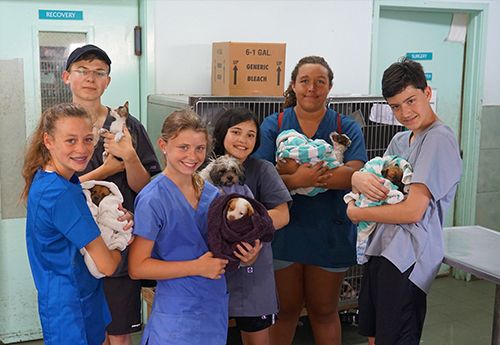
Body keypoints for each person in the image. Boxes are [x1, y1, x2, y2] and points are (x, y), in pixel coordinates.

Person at [346, 58, 462, 345]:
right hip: (381, 250)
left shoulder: (439, 139)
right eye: (396, 106)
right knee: (375, 336)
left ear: (427, 93)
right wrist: (356, 180)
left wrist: (356, 212)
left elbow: (413, 210)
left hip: (408, 259)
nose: (405, 112)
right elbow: (373, 179)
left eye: (411, 100)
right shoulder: (400, 141)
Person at [254, 56, 368, 345]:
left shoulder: (346, 126)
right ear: (293, 84)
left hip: (330, 231)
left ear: (330, 87)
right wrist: (297, 181)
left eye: (320, 82)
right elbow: (262, 175)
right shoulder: (275, 124)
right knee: (286, 310)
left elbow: (356, 172)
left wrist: (297, 176)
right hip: (285, 234)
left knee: (324, 310)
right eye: (304, 81)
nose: (312, 88)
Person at [62, 44, 161, 345]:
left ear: (108, 81)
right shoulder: (56, 127)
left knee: (118, 335)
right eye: (82, 71)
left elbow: (148, 188)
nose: (90, 79)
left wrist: (129, 157)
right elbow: (51, 190)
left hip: (118, 244)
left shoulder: (127, 126)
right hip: (74, 245)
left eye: (99, 73)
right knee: (83, 332)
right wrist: (104, 171)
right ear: (67, 77)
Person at [21, 103, 123, 345]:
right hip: (71, 308)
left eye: (88, 139)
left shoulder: (54, 179)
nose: (82, 149)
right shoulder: (60, 194)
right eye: (71, 141)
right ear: (48, 141)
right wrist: (120, 239)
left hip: (74, 297)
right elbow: (107, 266)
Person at [128, 109, 229, 345]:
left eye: (199, 148)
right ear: (163, 145)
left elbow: (224, 249)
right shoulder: (153, 199)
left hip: (213, 307)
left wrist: (247, 255)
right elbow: (138, 267)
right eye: (183, 147)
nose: (192, 156)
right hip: (177, 312)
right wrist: (197, 267)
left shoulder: (213, 195)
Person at [212, 107, 292, 345]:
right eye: (236, 132)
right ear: (222, 133)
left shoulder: (262, 169)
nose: (243, 140)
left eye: (250, 135)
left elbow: (282, 214)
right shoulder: (203, 167)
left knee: (256, 335)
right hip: (212, 266)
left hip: (253, 265)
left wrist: (246, 227)